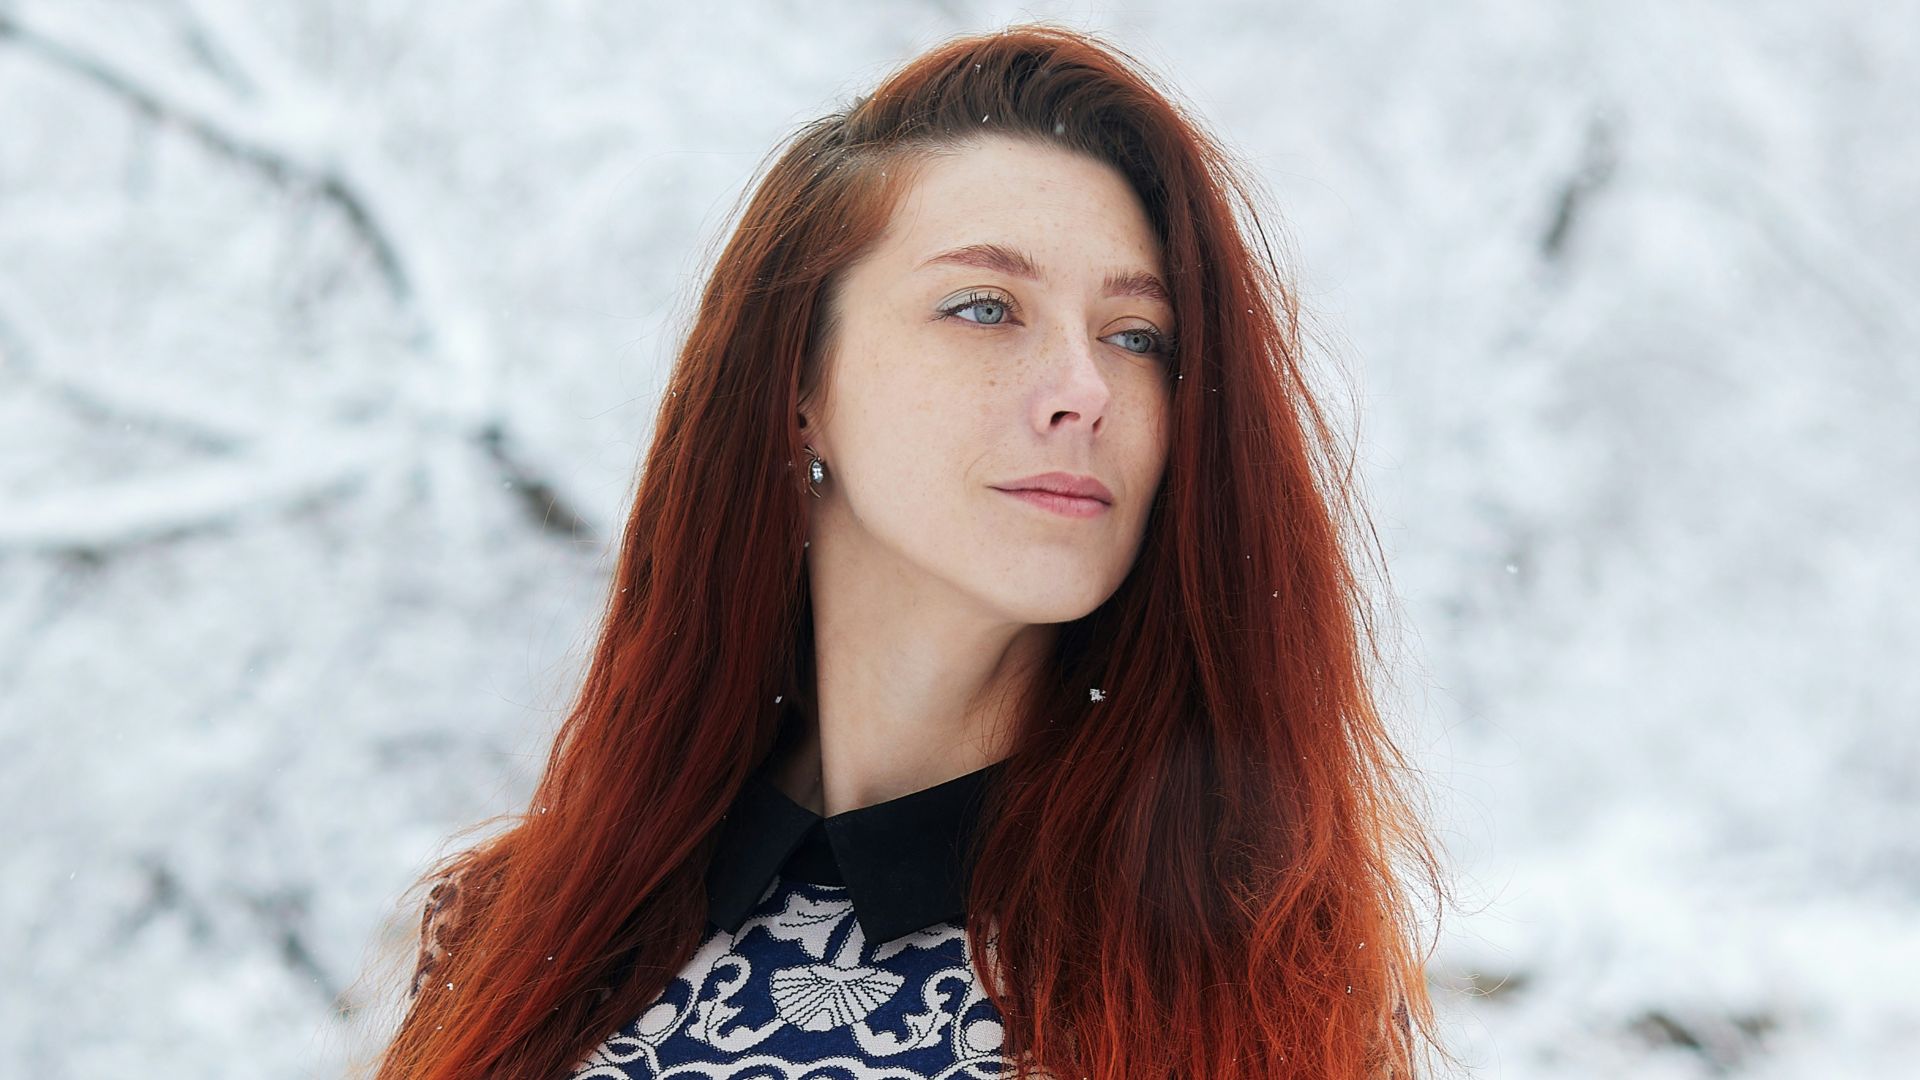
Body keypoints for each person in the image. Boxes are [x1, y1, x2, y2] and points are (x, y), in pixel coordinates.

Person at [358, 21, 1451, 1080]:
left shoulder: (1262, 984)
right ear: (799, 388)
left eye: (1137, 336)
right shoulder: (514, 928)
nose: (1084, 391)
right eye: (985, 307)